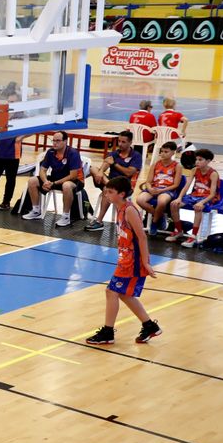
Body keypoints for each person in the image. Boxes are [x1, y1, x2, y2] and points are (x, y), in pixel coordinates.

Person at [85, 176, 161, 346]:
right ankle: (149, 326)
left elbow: (142, 237)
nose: (107, 195)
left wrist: (146, 262)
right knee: (125, 294)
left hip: (133, 261)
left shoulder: (129, 210)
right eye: (106, 191)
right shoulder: (119, 208)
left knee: (111, 292)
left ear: (122, 194)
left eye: (110, 192)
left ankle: (108, 332)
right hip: (125, 258)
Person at [21, 131, 84, 226]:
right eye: (53, 140)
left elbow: (73, 175)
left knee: (66, 186)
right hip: (55, 179)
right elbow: (42, 170)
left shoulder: (73, 153)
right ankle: (36, 211)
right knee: (32, 181)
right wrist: (46, 182)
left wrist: (54, 183)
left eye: (58, 141)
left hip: (74, 181)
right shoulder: (50, 152)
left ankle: (66, 217)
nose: (55, 143)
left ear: (65, 141)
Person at [86, 130, 144, 231]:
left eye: (123, 142)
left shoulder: (136, 156)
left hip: (125, 185)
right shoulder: (114, 153)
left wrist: (114, 164)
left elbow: (129, 172)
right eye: (119, 141)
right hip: (109, 181)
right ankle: (109, 186)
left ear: (130, 142)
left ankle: (99, 221)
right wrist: (100, 172)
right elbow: (105, 164)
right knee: (93, 169)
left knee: (106, 190)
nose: (120, 144)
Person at [169, 147, 220, 247]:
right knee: (173, 204)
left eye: (200, 160)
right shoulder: (194, 170)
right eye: (196, 159)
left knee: (198, 207)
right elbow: (186, 186)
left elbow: (213, 194)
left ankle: (193, 236)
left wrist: (202, 202)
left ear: (208, 161)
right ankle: (179, 231)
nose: (197, 162)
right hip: (194, 195)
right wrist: (179, 197)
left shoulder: (213, 173)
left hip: (207, 197)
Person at [135, 140, 184, 233]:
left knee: (161, 202)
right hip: (154, 188)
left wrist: (162, 190)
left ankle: (154, 222)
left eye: (166, 152)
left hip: (167, 189)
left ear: (173, 152)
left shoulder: (177, 166)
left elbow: (176, 184)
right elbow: (148, 181)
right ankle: (160, 216)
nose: (163, 154)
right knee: (139, 200)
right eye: (161, 151)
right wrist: (150, 188)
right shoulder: (155, 164)